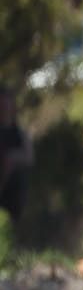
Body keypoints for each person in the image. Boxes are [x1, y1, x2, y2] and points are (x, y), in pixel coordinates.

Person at [0, 86, 32, 226]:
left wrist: (13, 157)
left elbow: (29, 157)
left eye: (8, 103)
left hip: (15, 197)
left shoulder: (19, 132)